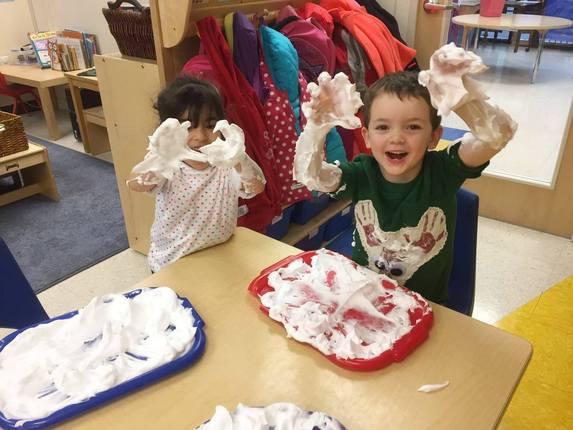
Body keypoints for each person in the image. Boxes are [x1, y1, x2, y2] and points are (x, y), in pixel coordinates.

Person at [293, 44, 517, 303]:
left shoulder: (443, 170)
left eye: (412, 127)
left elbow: (496, 136)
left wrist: (457, 95)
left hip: (425, 307)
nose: (396, 138)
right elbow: (313, 177)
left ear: (434, 137)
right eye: (383, 127)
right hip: (367, 302)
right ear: (366, 136)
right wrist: (316, 129)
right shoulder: (362, 172)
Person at [128, 76, 266, 273]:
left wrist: (239, 159)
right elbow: (136, 183)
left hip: (220, 254)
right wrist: (160, 157)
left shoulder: (226, 162)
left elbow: (257, 186)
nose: (200, 136)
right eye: (188, 126)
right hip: (173, 261)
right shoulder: (167, 162)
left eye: (210, 125)